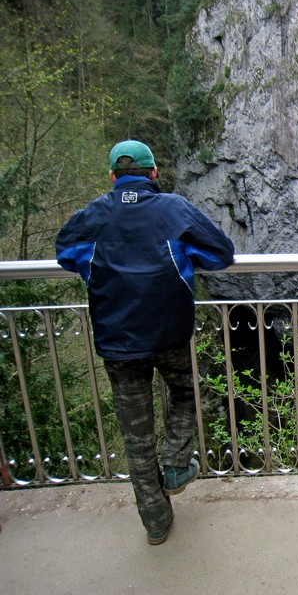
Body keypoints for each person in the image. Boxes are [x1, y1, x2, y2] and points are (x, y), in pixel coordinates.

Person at [56, 140, 235, 545]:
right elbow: (221, 252)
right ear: (153, 173)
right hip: (169, 333)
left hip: (117, 341)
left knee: (136, 436)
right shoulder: (173, 208)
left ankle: (155, 523)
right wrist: (187, 262)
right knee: (188, 392)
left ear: (112, 177)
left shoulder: (96, 214)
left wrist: (96, 271)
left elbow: (67, 252)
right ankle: (175, 463)